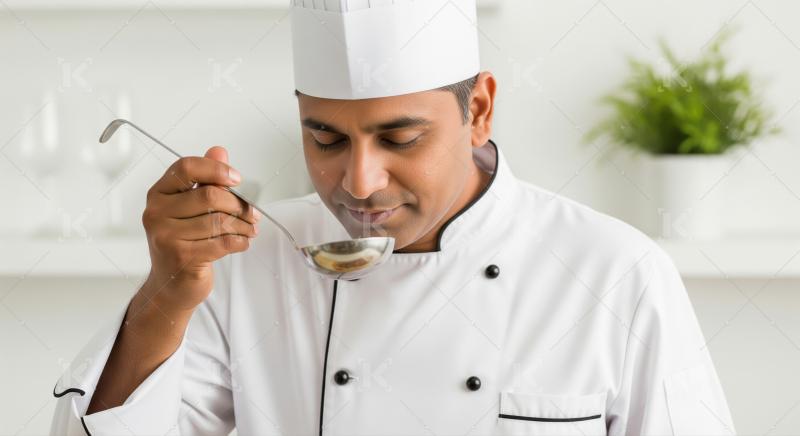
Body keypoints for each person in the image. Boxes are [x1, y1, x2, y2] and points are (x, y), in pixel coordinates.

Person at [50, 0, 736, 434]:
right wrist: (166, 297)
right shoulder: (243, 263)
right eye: (325, 138)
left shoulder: (614, 273)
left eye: (400, 139)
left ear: (479, 111)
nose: (358, 181)